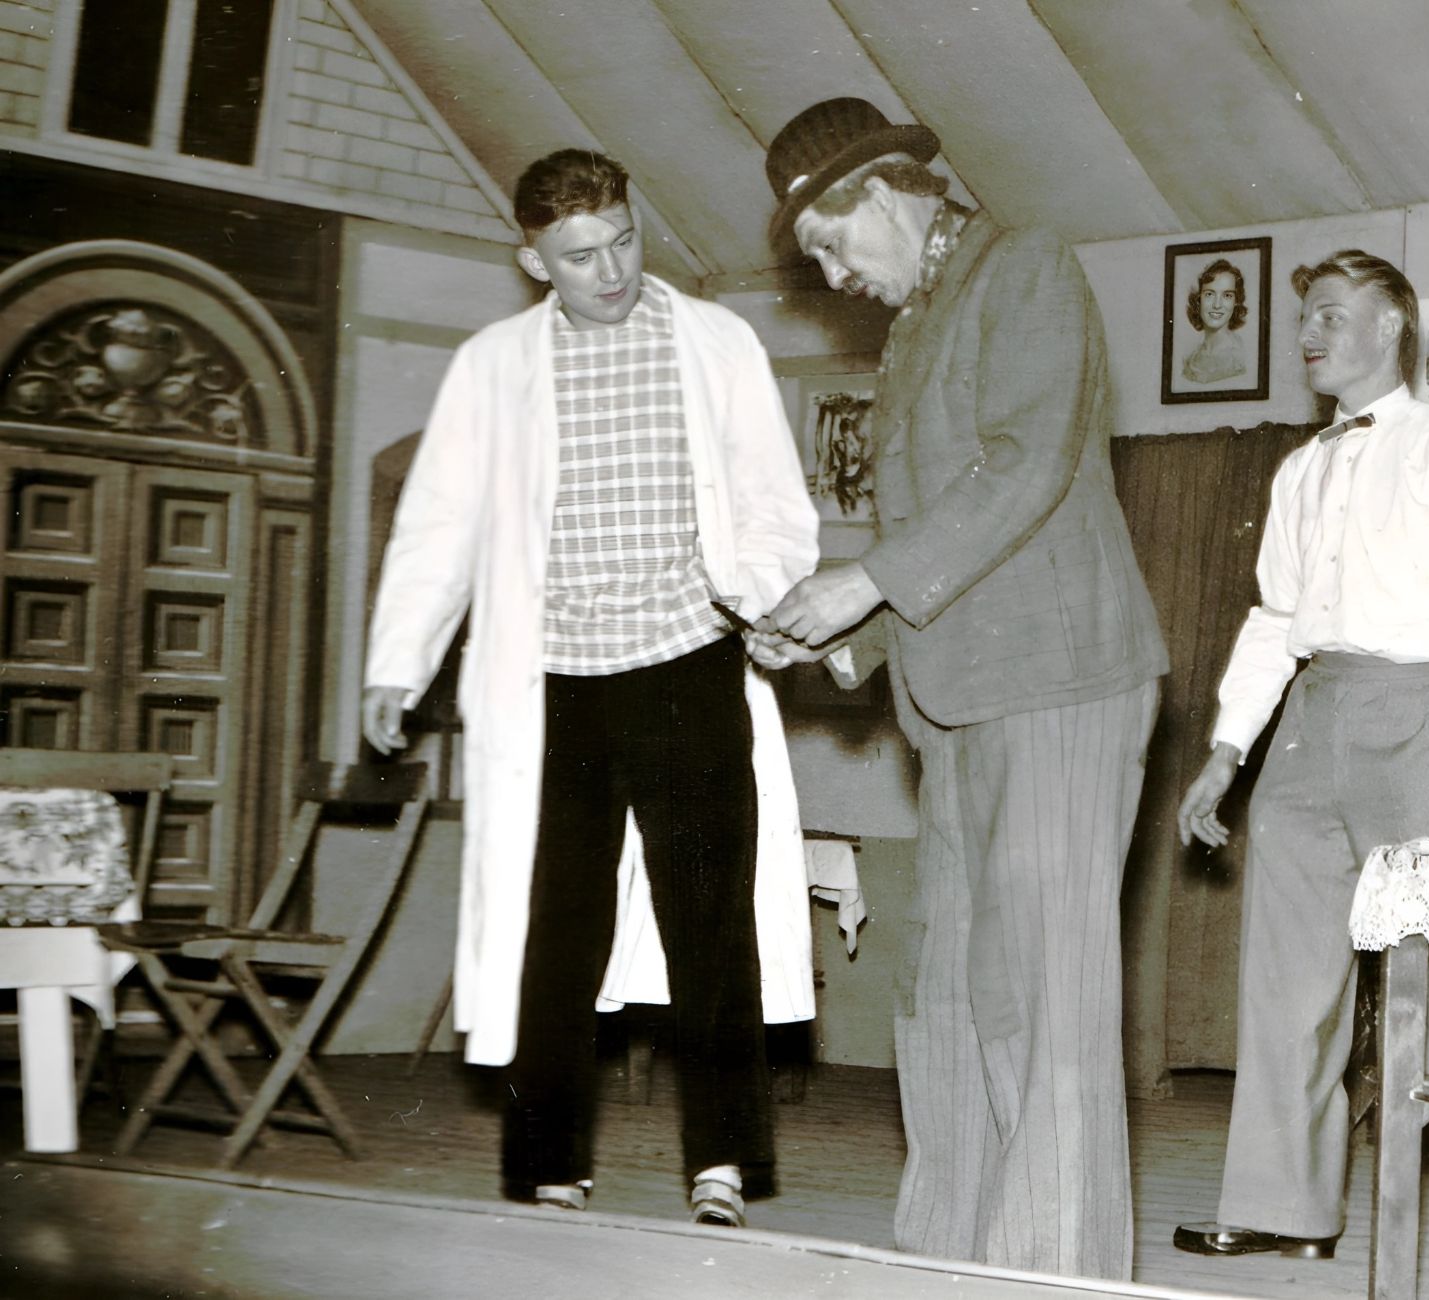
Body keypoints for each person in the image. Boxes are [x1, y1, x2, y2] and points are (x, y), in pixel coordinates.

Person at [748, 97, 1169, 1281]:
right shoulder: (917, 321)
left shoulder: (1021, 265)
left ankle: (1054, 1262)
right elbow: (939, 529)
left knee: (1043, 994)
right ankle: (947, 1252)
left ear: (881, 192)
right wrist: (836, 634)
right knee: (945, 987)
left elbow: (1026, 462)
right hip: (960, 694)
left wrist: (861, 583)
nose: (831, 274)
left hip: (1059, 680)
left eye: (831, 246)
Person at [362, 148, 819, 1230]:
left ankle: (721, 1165)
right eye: (579, 257)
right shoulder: (490, 365)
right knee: (550, 931)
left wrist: (754, 597)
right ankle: (547, 1168)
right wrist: (398, 660)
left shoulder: (716, 341)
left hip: (689, 661)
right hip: (553, 681)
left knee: (711, 923)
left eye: (621, 241)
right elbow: (440, 525)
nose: (609, 270)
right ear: (534, 260)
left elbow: (772, 500)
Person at [1171, 250, 1429, 1300]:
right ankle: (1278, 1210)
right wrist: (1223, 753)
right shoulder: (1297, 469)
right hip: (1307, 721)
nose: (1309, 334)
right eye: (1305, 318)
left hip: (1419, 716)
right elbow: (1270, 621)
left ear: (1393, 327)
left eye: (1331, 315)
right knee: (1288, 978)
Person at [1180, 257, 1248, 384]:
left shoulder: (1240, 358)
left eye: (1227, 295)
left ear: (1236, 302)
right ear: (1198, 300)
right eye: (1209, 294)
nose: (1217, 305)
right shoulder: (1190, 359)